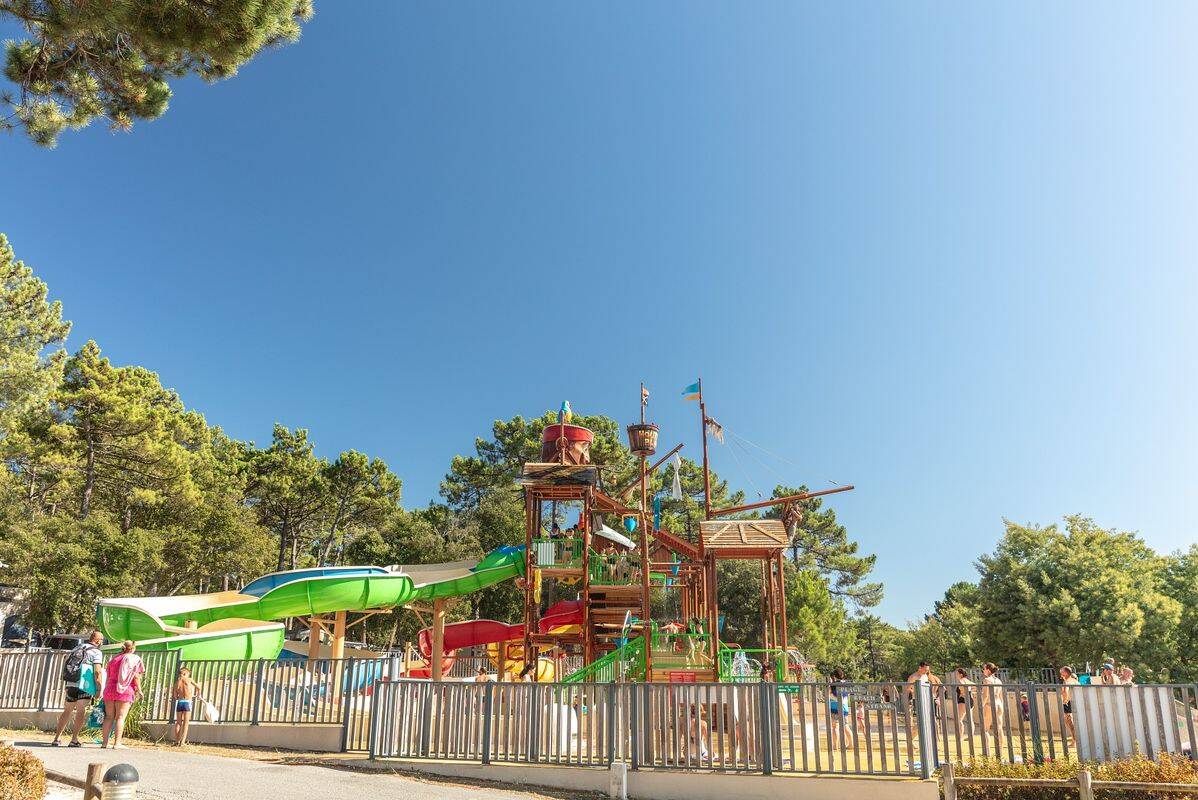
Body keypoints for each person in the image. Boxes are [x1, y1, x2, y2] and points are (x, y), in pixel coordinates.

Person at [52, 630, 104, 747]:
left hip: (71, 682)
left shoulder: (77, 648)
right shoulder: (96, 652)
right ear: (97, 640)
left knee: (67, 710)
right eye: (101, 640)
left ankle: (57, 738)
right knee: (81, 711)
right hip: (85, 684)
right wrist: (99, 688)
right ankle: (74, 739)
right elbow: (97, 671)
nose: (101, 643)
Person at [101, 640, 143, 750]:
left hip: (110, 688)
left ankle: (104, 743)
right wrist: (140, 689)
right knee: (120, 717)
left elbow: (108, 674)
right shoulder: (133, 658)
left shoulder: (114, 659)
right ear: (133, 648)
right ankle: (117, 743)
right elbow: (136, 676)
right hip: (125, 689)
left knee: (108, 717)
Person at [980, 662, 1005, 750]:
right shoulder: (999, 681)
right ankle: (1000, 750)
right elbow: (1001, 696)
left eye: (984, 669)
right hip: (999, 704)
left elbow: (986, 696)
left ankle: (987, 752)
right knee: (999, 728)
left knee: (985, 729)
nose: (983, 671)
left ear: (988, 670)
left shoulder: (986, 680)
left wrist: (981, 706)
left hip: (990, 704)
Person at [172, 666, 197, 746]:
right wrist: (198, 694)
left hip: (179, 702)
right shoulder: (189, 680)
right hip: (187, 702)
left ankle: (176, 741)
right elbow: (198, 687)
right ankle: (182, 742)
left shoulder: (176, 683)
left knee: (178, 723)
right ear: (185, 673)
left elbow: (175, 696)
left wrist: (179, 697)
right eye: (188, 674)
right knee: (186, 723)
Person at [1059, 666, 1079, 746]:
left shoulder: (1068, 681)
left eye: (1062, 671)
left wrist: (1065, 700)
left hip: (1069, 702)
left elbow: (1065, 691)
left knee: (1070, 722)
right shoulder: (1074, 681)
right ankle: (1074, 740)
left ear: (1066, 673)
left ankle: (1074, 741)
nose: (1060, 673)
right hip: (1075, 702)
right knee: (1069, 721)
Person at [953, 667, 975, 733]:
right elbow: (975, 686)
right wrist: (970, 691)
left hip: (963, 700)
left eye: (957, 674)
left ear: (961, 674)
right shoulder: (968, 681)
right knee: (970, 719)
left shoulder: (961, 681)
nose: (956, 675)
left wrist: (963, 692)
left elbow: (962, 688)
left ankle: (960, 736)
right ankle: (971, 736)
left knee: (959, 719)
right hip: (970, 700)